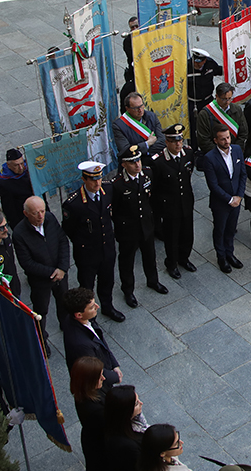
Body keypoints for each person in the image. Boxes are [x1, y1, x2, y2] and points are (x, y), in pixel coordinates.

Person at [70, 356, 127, 471]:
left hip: (97, 442)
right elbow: (112, 426)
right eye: (100, 376)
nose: (104, 378)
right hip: (101, 450)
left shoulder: (87, 392)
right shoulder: (93, 409)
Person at [62, 161, 121, 320]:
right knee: (87, 286)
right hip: (87, 253)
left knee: (107, 281)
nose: (97, 183)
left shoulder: (107, 189)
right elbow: (69, 229)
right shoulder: (73, 203)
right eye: (92, 179)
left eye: (99, 178)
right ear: (84, 179)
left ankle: (107, 307)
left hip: (107, 248)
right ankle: (89, 316)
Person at [111, 145, 166, 306]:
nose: (137, 165)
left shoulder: (147, 174)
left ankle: (153, 280)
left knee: (150, 255)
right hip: (128, 230)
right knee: (127, 261)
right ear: (124, 165)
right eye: (133, 162)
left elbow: (151, 197)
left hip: (147, 225)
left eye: (138, 160)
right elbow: (114, 210)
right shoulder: (117, 184)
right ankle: (128, 290)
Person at [14, 195, 72, 340]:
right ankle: (41, 338)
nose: (41, 216)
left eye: (42, 211)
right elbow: (27, 263)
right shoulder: (19, 233)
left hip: (60, 275)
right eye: (35, 213)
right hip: (41, 281)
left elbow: (62, 241)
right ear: (26, 213)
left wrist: (63, 268)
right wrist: (53, 272)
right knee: (41, 311)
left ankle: (66, 326)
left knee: (64, 302)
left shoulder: (50, 219)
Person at [152, 124, 198, 278]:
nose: (178, 144)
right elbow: (155, 188)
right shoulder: (158, 162)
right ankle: (171, 263)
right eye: (174, 141)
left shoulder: (188, 153)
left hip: (186, 201)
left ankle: (184, 258)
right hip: (169, 206)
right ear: (167, 142)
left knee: (187, 234)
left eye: (180, 140)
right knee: (171, 237)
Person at [203, 126, 246, 273]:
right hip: (221, 203)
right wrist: (229, 199)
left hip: (236, 200)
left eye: (228, 137)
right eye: (222, 139)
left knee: (231, 229)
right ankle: (221, 257)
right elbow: (213, 185)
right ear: (215, 140)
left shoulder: (237, 150)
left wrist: (239, 196)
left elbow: (242, 175)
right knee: (220, 230)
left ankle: (230, 253)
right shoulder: (209, 158)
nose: (226, 141)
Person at [62, 288, 122, 387]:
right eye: (91, 307)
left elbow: (100, 340)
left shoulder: (80, 319)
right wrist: (115, 377)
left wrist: (114, 364)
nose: (97, 307)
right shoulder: (81, 345)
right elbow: (95, 371)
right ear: (79, 315)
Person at [194, 82, 248, 155]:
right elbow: (204, 140)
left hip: (234, 152)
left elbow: (243, 132)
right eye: (224, 99)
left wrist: (236, 150)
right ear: (216, 96)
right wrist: (221, 154)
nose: (227, 102)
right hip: (215, 154)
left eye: (230, 98)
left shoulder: (237, 110)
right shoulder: (205, 114)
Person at [114, 92, 164, 157]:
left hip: (155, 158)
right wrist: (147, 144)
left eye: (141, 106)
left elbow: (162, 141)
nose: (140, 110)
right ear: (127, 109)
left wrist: (146, 150)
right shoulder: (119, 125)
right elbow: (126, 150)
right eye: (136, 108)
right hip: (135, 162)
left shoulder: (151, 116)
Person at [0, 148, 34, 230]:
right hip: (22, 215)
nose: (21, 168)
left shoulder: (29, 170)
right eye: (16, 165)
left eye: (21, 163)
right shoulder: (4, 182)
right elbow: (9, 209)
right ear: (9, 165)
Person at [187, 49, 224, 125]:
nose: (196, 64)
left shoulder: (210, 64)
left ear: (204, 61)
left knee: (213, 121)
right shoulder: (187, 66)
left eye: (199, 63)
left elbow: (219, 71)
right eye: (195, 61)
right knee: (193, 123)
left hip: (208, 99)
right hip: (193, 102)